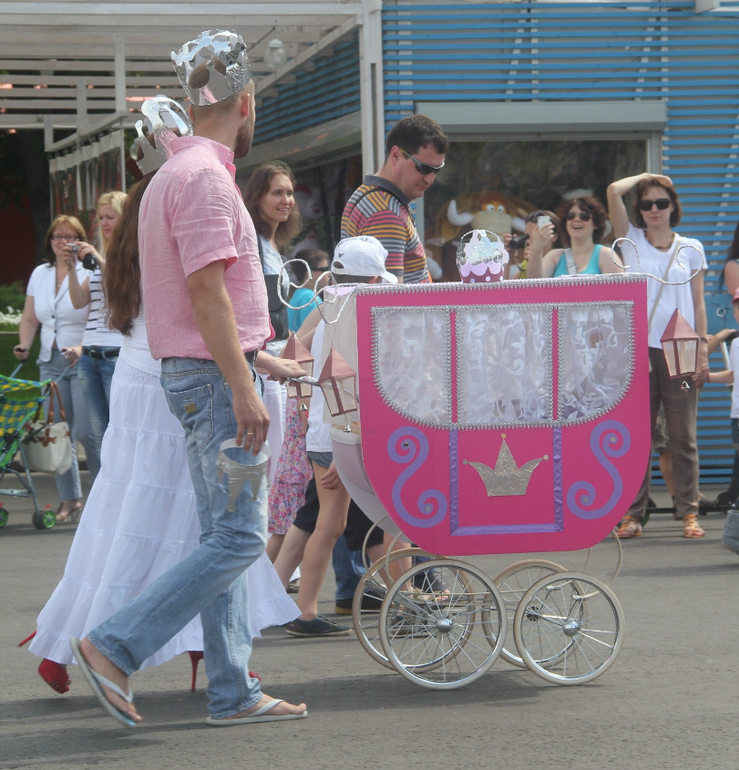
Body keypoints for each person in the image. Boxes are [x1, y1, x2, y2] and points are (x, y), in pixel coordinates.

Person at [70, 29, 307, 728]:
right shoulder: (205, 177)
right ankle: (113, 647)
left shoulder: (177, 174)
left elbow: (194, 296)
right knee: (236, 538)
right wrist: (242, 385)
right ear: (246, 100)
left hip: (200, 377)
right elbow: (205, 295)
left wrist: (248, 367)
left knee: (224, 537)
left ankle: (232, 690)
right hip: (211, 384)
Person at [26, 122, 298, 694]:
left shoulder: (136, 225)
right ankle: (152, 651)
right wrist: (250, 371)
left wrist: (258, 364)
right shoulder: (185, 197)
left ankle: (86, 643)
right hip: (178, 379)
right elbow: (202, 304)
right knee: (203, 529)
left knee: (140, 521)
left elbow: (163, 313)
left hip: (147, 377)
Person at [274, 236, 396, 637]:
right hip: (351, 431)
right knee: (388, 517)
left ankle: (302, 609)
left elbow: (294, 353)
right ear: (376, 278)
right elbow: (366, 383)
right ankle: (407, 600)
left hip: (323, 430)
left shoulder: (327, 306)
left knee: (328, 523)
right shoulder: (368, 312)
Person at [607, 172, 708, 539]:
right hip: (638, 348)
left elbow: (698, 303)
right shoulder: (631, 241)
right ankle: (634, 516)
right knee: (639, 436)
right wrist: (647, 177)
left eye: (661, 203)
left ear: (673, 208)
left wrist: (703, 351)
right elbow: (613, 191)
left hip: (680, 346)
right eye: (647, 203)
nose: (654, 210)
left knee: (684, 436)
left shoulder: (691, 248)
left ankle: (689, 513)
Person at [13, 215, 92, 523]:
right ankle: (70, 498)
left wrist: (82, 348)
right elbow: (30, 318)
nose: (64, 243)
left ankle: (99, 495)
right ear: (50, 241)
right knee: (58, 432)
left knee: (86, 432)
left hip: (82, 360)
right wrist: (24, 345)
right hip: (50, 361)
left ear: (81, 240)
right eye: (58, 237)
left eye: (71, 237)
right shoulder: (41, 273)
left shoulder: (90, 271)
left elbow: (99, 319)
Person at [62, 191, 126, 481]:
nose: (104, 223)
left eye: (109, 217)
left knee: (120, 430)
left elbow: (122, 293)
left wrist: (99, 259)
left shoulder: (128, 254)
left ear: (124, 217)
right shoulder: (97, 257)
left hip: (116, 353)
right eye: (100, 218)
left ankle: (120, 489)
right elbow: (78, 302)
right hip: (89, 353)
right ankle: (104, 496)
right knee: (98, 434)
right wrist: (71, 268)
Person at [341, 115, 449, 284]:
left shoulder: (367, 195)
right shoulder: (386, 212)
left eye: (436, 170)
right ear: (396, 155)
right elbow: (389, 301)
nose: (429, 179)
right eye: (424, 168)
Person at [704, 288, 739, 556]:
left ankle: (733, 534)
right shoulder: (736, 343)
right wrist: (707, 376)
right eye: (736, 307)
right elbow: (732, 376)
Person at [526, 195, 622, 278]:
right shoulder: (555, 256)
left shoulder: (606, 255)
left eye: (584, 216)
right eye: (571, 216)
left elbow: (620, 294)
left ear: (596, 224)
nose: (576, 219)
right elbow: (534, 284)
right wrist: (536, 248)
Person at [504, 209, 560, 280]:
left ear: (554, 237)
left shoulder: (560, 260)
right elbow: (508, 288)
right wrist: (507, 257)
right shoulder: (526, 263)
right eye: (526, 236)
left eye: (536, 236)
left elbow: (537, 285)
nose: (528, 241)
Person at [287, 248, 329, 332]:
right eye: (324, 269)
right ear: (309, 274)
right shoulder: (311, 299)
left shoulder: (298, 294)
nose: (328, 274)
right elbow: (314, 336)